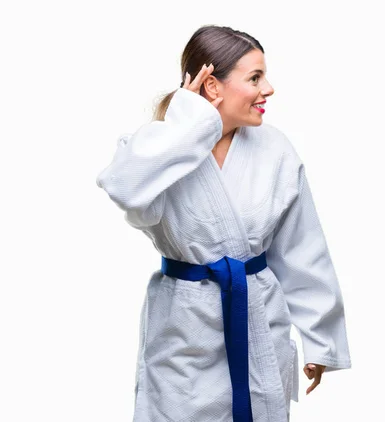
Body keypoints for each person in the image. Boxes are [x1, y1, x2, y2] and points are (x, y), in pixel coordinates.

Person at [96, 24, 351, 422]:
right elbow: (124, 188)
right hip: (185, 329)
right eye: (255, 77)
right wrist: (191, 124)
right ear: (212, 87)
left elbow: (302, 249)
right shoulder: (160, 147)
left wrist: (320, 341)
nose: (268, 89)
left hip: (259, 316)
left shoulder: (275, 149)